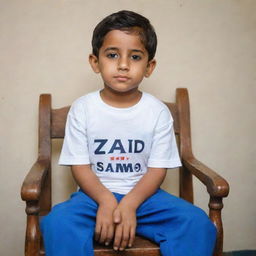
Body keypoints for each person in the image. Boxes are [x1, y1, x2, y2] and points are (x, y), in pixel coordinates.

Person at [40, 10, 217, 256]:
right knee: (57, 222)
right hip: (93, 198)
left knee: (196, 223)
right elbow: (80, 166)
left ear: (149, 66)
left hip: (146, 199)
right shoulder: (83, 108)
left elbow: (157, 170)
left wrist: (130, 204)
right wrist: (105, 200)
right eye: (112, 55)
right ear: (95, 61)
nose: (123, 65)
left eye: (135, 56)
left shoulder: (157, 112)